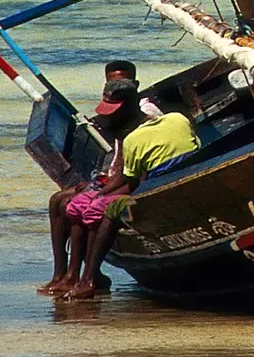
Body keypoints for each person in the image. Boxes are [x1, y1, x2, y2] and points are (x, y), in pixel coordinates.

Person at [56, 101, 202, 301]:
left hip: (159, 191)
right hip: (190, 178)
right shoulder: (178, 118)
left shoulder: (132, 140)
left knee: (109, 210)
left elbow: (133, 183)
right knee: (84, 204)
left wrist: (101, 194)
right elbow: (197, 146)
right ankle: (79, 276)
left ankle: (88, 278)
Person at [34, 65, 138, 295]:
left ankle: (81, 275)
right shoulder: (112, 121)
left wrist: (99, 190)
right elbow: (113, 161)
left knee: (74, 205)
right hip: (108, 178)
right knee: (57, 201)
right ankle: (61, 274)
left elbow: (126, 173)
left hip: (118, 183)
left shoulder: (136, 124)